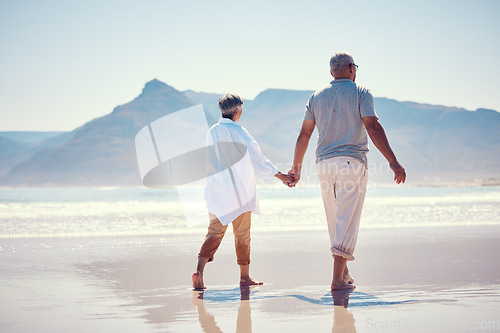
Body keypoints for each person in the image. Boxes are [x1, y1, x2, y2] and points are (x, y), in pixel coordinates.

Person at [288, 52, 406, 290]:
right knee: (347, 221)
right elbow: (372, 126)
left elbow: (305, 134)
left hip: (323, 164)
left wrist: (296, 168)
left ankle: (344, 273)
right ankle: (336, 279)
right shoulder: (361, 92)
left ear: (332, 72)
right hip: (351, 162)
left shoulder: (317, 96)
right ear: (352, 68)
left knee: (334, 220)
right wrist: (392, 161)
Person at [192, 93, 294, 290]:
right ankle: (244, 277)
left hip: (215, 191)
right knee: (242, 235)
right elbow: (258, 159)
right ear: (237, 111)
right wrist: (281, 176)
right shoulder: (240, 131)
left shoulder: (212, 131)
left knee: (214, 231)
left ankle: (199, 271)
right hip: (239, 193)